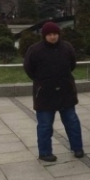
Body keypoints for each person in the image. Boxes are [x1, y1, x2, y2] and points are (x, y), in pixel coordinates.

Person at [23, 22, 83, 162]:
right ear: (44, 36)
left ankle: (77, 148)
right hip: (44, 93)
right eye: (49, 35)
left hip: (65, 91)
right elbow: (28, 68)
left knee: (72, 122)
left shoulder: (67, 47)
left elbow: (72, 64)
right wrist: (41, 81)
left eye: (55, 34)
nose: (53, 37)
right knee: (45, 125)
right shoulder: (35, 50)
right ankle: (45, 152)